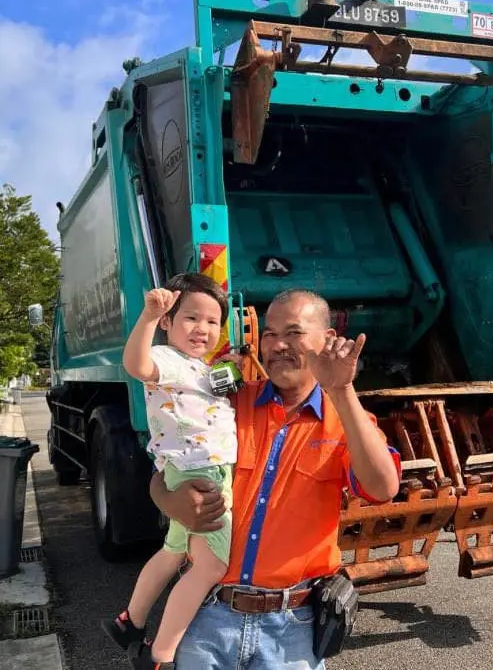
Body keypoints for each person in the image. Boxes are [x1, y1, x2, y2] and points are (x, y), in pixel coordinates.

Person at [148, 289, 403, 669]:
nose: (278, 345)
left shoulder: (346, 420)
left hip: (291, 630)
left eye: (294, 333)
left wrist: (342, 390)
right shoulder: (227, 404)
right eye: (269, 333)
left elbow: (383, 489)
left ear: (327, 340)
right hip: (208, 616)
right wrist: (170, 501)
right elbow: (161, 474)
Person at [101, 272, 239, 670]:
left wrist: (227, 370)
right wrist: (146, 317)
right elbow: (136, 363)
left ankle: (130, 621)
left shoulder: (197, 367)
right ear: (168, 323)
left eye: (213, 321)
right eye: (192, 318)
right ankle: (159, 656)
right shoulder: (165, 358)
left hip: (191, 469)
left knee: (173, 551)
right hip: (200, 473)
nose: (203, 329)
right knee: (211, 565)